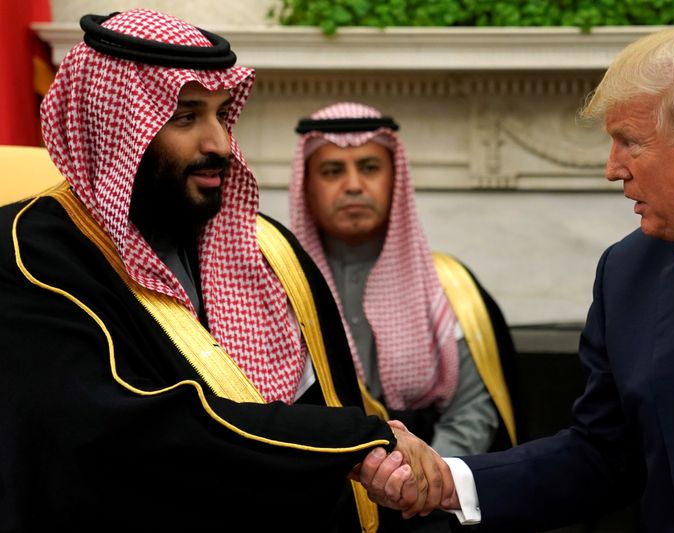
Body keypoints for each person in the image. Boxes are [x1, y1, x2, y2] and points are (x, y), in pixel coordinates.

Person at [0, 9, 449, 530]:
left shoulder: (267, 251)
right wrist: (356, 440)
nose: (218, 144)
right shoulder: (31, 253)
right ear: (115, 127)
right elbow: (131, 429)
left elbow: (323, 401)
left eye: (221, 113)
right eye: (187, 117)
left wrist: (384, 464)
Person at [359, 25, 674, 532]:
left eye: (629, 143)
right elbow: (604, 454)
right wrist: (447, 480)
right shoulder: (629, 273)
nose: (612, 169)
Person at [288, 102, 519, 530]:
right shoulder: (275, 287)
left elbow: (473, 408)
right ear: (306, 185)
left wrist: (422, 479)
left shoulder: (451, 286)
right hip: (317, 497)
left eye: (370, 167)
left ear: (395, 180)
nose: (353, 185)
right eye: (333, 171)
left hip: (430, 499)